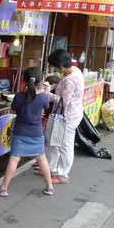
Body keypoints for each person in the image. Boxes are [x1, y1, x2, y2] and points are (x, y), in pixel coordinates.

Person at [0, 67, 54, 197]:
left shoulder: (19, 96)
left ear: (24, 81)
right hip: (36, 132)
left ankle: (3, 188)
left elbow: (12, 111)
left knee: (14, 159)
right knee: (42, 159)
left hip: (20, 132)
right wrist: (46, 93)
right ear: (40, 83)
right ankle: (49, 186)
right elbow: (45, 108)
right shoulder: (43, 97)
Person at [44, 49, 84, 184]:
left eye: (55, 66)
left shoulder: (70, 79)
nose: (54, 69)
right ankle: (50, 169)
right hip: (67, 114)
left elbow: (63, 101)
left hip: (67, 116)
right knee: (54, 142)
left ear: (61, 64)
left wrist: (47, 95)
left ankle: (63, 175)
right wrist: (54, 86)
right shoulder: (74, 71)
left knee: (64, 145)